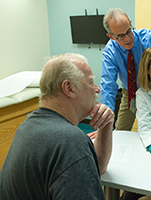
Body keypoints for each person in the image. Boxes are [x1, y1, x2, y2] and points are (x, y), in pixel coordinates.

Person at [0, 53, 114, 200]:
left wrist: (106, 125)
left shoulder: (27, 127)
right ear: (69, 88)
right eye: (91, 82)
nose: (97, 89)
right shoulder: (70, 141)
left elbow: (98, 167)